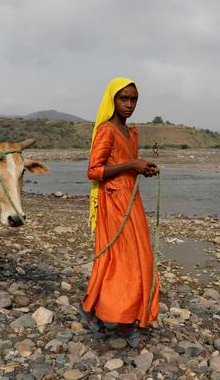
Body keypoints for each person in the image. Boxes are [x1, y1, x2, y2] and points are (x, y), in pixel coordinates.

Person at [78, 77, 160, 349]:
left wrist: (141, 168)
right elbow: (94, 171)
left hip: (131, 199)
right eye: (123, 98)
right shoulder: (107, 131)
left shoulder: (131, 133)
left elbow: (126, 167)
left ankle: (96, 309)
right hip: (113, 202)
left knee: (140, 257)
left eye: (133, 99)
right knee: (122, 260)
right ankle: (124, 323)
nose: (129, 104)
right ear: (112, 100)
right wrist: (131, 164)